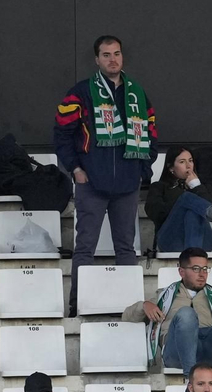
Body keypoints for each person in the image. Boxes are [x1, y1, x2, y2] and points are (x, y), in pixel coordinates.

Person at [54, 35, 155, 313]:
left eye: (117, 54)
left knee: (126, 248)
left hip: (127, 184)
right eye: (106, 55)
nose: (113, 59)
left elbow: (152, 132)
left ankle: (131, 307)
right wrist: (76, 169)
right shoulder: (81, 92)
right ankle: (78, 305)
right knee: (85, 247)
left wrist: (142, 170)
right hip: (91, 183)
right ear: (97, 59)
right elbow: (62, 133)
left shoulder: (137, 93)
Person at [126, 248, 212, 377]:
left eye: (205, 269)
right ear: (181, 271)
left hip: (209, 347)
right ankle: (191, 377)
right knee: (186, 314)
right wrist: (144, 306)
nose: (202, 274)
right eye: (196, 269)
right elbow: (126, 317)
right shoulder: (164, 295)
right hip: (176, 350)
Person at [145, 145, 212, 253]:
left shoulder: (201, 187)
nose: (188, 166)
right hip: (171, 241)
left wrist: (196, 187)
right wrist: (182, 203)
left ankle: (192, 256)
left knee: (192, 212)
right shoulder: (159, 187)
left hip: (203, 242)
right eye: (182, 162)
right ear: (171, 167)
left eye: (190, 161)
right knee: (187, 200)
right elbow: (156, 214)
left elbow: (211, 216)